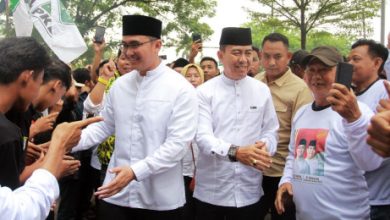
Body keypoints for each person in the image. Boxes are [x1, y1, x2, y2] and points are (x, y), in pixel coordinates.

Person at [72, 15, 198, 220]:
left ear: (157, 45)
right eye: (124, 45)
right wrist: (66, 143)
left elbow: (177, 145)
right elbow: (103, 126)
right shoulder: (120, 85)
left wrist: (134, 172)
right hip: (116, 195)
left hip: (160, 200)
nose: (128, 52)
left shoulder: (181, 88)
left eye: (135, 44)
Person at [275, 46, 383, 219]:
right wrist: (286, 180)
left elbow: (370, 163)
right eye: (311, 70)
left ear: (341, 73)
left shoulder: (359, 112)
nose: (316, 76)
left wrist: (354, 120)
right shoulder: (302, 113)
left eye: (324, 70)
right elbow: (293, 155)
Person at [0, 36, 101, 220]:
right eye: (39, 81)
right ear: (27, 77)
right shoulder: (6, 134)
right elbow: (14, 207)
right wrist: (54, 158)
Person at [194, 27, 279, 219]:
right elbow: (202, 137)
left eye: (248, 53)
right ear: (221, 55)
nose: (243, 59)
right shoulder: (204, 92)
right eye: (236, 53)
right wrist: (236, 152)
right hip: (211, 193)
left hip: (250, 192)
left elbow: (271, 131)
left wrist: (264, 148)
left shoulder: (261, 90)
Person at [255, 32, 312, 220]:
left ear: (288, 57)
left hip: (281, 172)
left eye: (278, 56)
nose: (271, 62)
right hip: (252, 169)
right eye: (267, 56)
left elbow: (302, 136)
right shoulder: (254, 83)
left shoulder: (300, 89)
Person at [348, 39, 390, 220]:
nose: (350, 64)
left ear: (377, 63)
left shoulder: (384, 93)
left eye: (356, 59)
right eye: (348, 59)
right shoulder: (351, 95)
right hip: (354, 197)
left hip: (378, 200)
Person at [180, 63, 204, 220]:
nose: (193, 79)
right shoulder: (178, 100)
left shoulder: (208, 100)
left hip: (202, 169)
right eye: (188, 76)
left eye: (196, 76)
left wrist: (199, 172)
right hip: (180, 167)